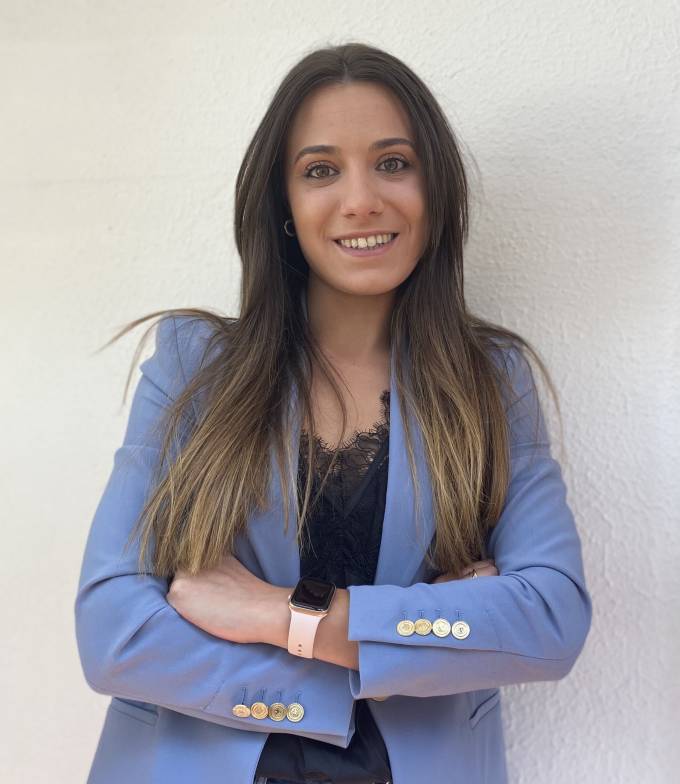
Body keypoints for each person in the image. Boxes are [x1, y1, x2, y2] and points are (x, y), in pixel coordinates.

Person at [74, 42, 592, 784]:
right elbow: (115, 635)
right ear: (283, 204)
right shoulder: (194, 365)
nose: (361, 200)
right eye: (320, 170)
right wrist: (377, 663)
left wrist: (279, 614)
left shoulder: (490, 380)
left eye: (393, 163)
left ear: (435, 188)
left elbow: (549, 620)